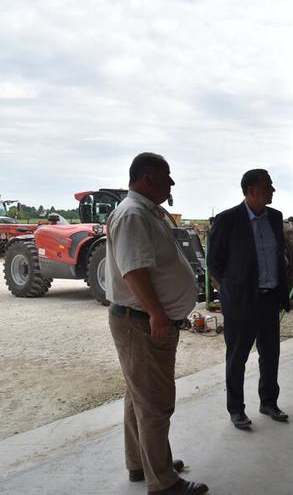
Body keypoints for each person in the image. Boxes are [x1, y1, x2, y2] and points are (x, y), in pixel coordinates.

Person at [106, 152, 208, 495]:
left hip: (141, 321)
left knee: (139, 397)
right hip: (143, 323)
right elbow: (133, 270)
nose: (172, 182)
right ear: (148, 178)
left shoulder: (144, 212)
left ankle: (143, 463)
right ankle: (162, 482)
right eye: (167, 176)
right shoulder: (133, 215)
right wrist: (157, 314)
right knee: (154, 403)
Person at [207, 169, 290, 430]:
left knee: (270, 354)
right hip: (241, 303)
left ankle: (268, 402)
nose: (273, 189)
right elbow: (214, 264)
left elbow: (279, 254)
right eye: (268, 185)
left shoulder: (275, 218)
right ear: (251, 190)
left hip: (269, 300)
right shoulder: (227, 220)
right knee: (237, 358)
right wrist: (230, 293)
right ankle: (236, 409)